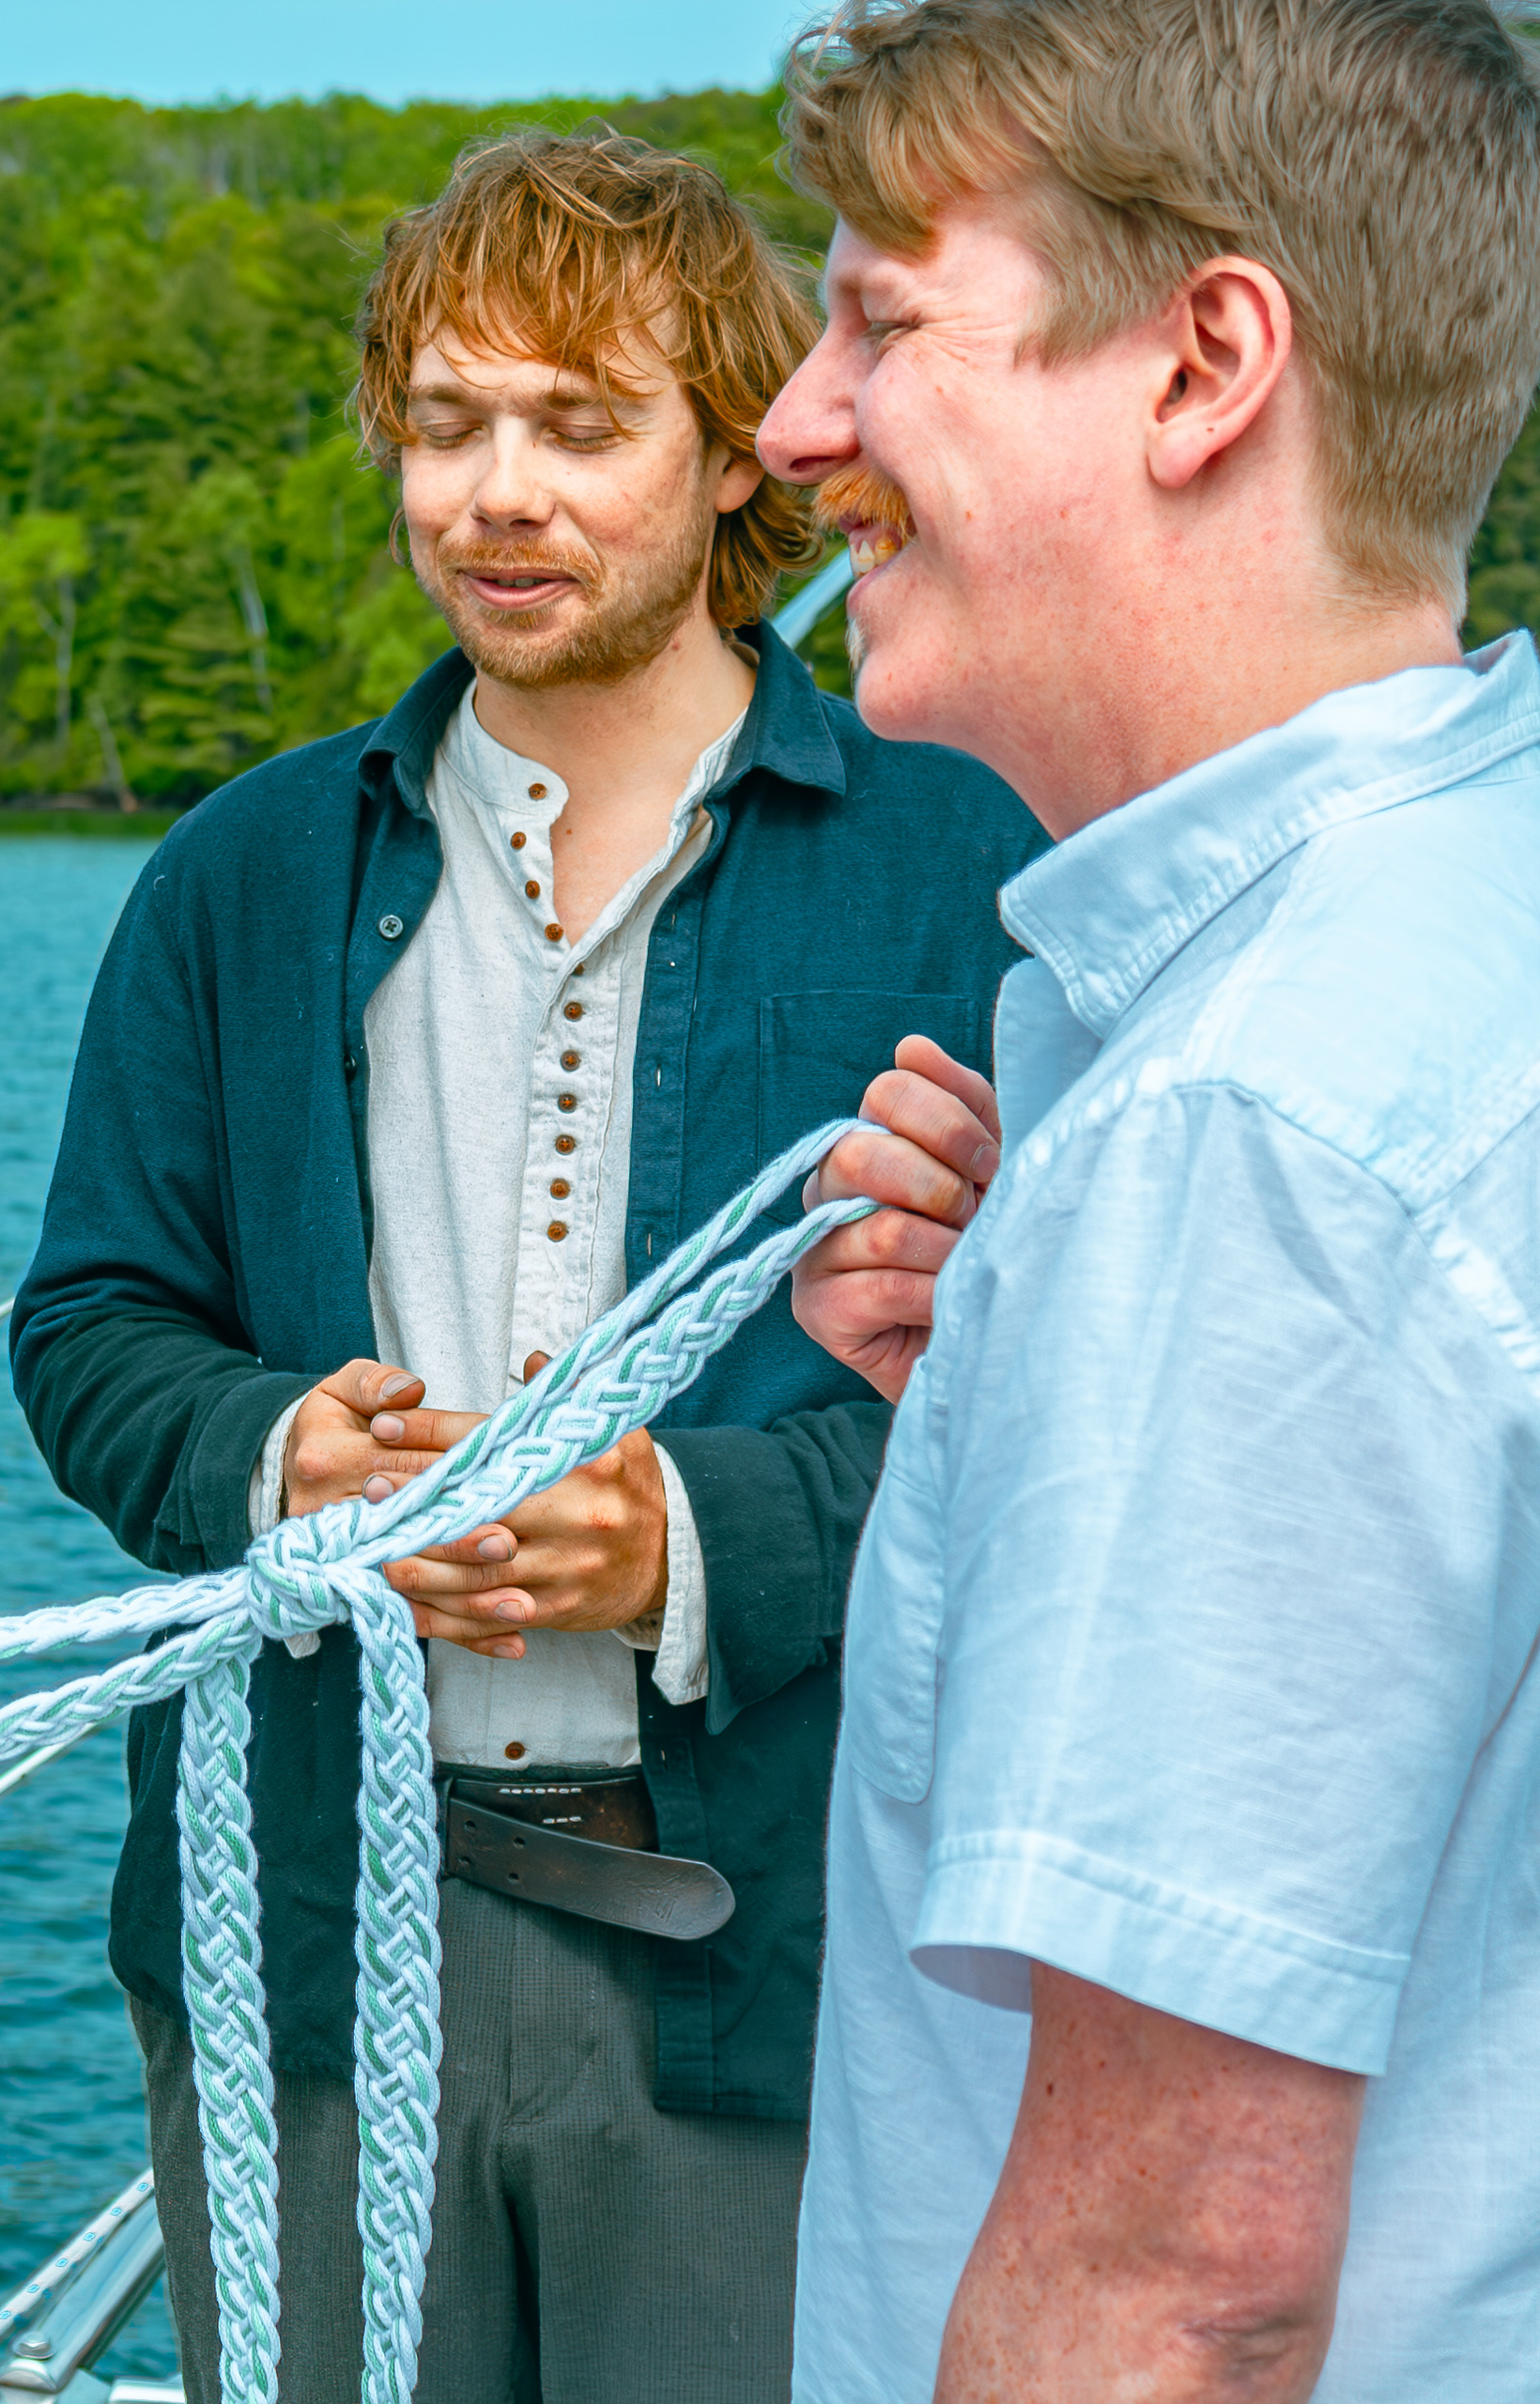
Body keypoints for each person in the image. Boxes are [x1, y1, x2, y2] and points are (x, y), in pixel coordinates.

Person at [10, 132, 1038, 2402]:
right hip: (304, 1939)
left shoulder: (969, 864)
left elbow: (1072, 1409)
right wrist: (273, 1448)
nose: (497, 492)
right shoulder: (239, 873)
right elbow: (90, 1325)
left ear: (735, 453)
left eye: (581, 425)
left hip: (778, 1962)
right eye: (448, 420)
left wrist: (691, 1536)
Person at [751, 2, 1540, 2396]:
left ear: (1205, 367)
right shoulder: (1461, 936)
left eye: (883, 322)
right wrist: (1042, 1399)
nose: (791, 427)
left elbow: (1181, 2285)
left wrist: (1158, 1295)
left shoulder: (1248, 1135)